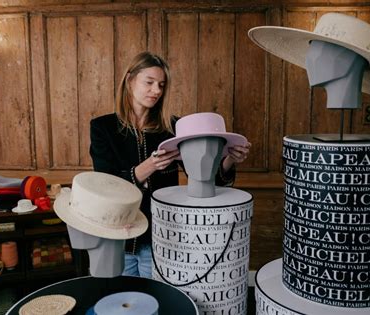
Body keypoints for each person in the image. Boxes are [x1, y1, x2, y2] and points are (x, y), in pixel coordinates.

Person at [90, 51, 251, 278]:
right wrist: (149, 166)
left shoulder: (174, 127)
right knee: (123, 305)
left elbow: (210, 179)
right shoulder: (102, 128)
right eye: (150, 82)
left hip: (161, 236)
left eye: (161, 85)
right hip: (118, 236)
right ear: (129, 80)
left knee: (156, 302)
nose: (156, 91)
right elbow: (105, 185)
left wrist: (231, 159)